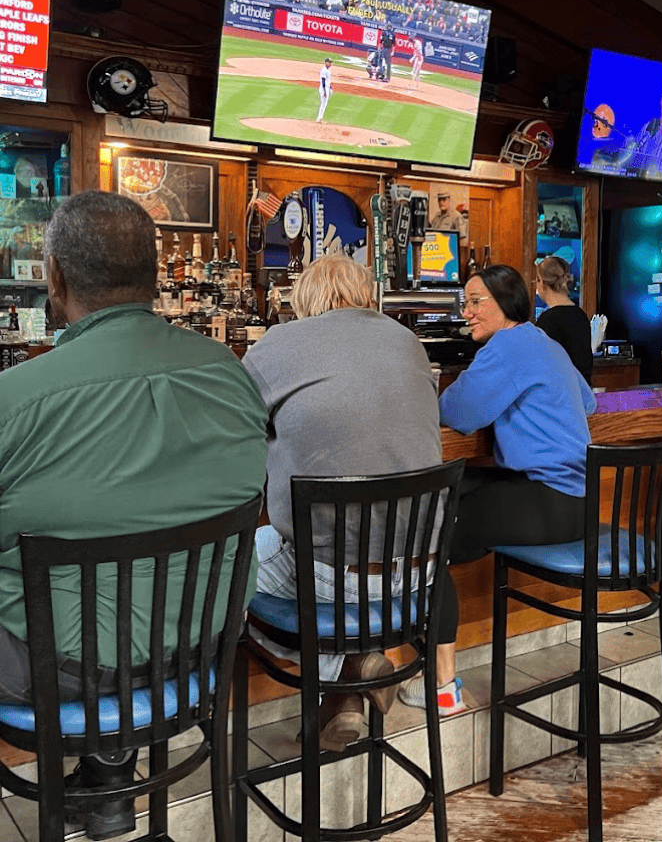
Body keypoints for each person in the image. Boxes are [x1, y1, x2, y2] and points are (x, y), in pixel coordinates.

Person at [0, 191, 268, 839]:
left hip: (60, 670)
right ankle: (108, 778)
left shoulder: (15, 399)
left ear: (56, 277)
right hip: (201, 649)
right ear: (152, 276)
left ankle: (105, 774)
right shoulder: (231, 376)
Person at [242, 254, 442, 751]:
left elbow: (236, 428)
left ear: (303, 299)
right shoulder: (408, 341)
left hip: (332, 575)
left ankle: (345, 671)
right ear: (366, 295)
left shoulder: (277, 345)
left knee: (220, 569)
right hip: (418, 576)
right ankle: (351, 671)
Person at [399, 265, 596, 713]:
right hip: (574, 502)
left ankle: (440, 685)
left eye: (475, 302)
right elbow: (588, 401)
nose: (465, 312)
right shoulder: (542, 341)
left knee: (425, 535)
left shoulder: (507, 346)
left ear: (506, 304)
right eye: (464, 302)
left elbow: (457, 413)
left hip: (544, 501)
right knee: (451, 492)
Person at [535, 255, 593, 385]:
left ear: (542, 283)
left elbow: (542, 365)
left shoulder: (547, 320)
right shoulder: (580, 315)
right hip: (582, 390)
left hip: (560, 392)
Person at [316, 57, 332, 122]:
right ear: (325, 63)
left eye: (330, 63)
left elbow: (328, 80)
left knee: (324, 103)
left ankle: (320, 118)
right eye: (329, 62)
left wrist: (330, 87)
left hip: (327, 88)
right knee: (323, 103)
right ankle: (319, 118)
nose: (330, 64)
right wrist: (325, 90)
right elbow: (323, 80)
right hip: (324, 88)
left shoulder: (328, 70)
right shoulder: (324, 70)